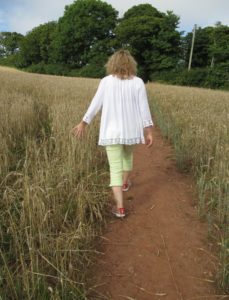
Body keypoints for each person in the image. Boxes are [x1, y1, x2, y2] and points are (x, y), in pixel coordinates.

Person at [72, 49, 153, 218]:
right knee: (127, 157)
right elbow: (144, 108)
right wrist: (149, 131)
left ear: (112, 64)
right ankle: (124, 184)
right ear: (131, 64)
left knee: (115, 168)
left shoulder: (106, 82)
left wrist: (83, 123)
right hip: (132, 131)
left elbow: (96, 104)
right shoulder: (138, 82)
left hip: (111, 132)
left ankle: (120, 208)